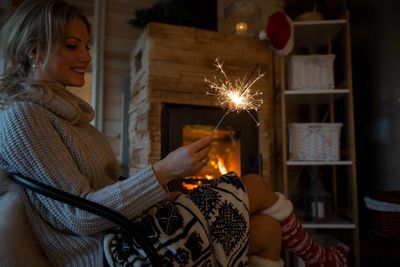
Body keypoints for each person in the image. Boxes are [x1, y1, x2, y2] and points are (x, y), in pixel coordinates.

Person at [0, 1, 347, 267]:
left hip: (127, 230)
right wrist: (164, 171)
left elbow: (97, 192)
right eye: (73, 46)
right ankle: (317, 257)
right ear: (34, 50)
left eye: (88, 46)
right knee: (253, 184)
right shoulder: (23, 118)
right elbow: (80, 216)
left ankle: (315, 258)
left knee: (268, 231)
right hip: (113, 253)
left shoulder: (64, 114)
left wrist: (157, 194)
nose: (86, 56)